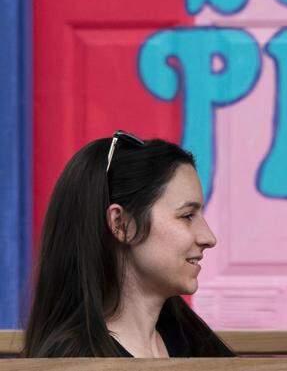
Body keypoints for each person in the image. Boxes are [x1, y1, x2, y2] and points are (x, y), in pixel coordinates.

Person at [23, 131, 233, 358]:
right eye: (187, 215)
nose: (208, 238)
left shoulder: (188, 339)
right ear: (121, 224)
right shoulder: (75, 360)